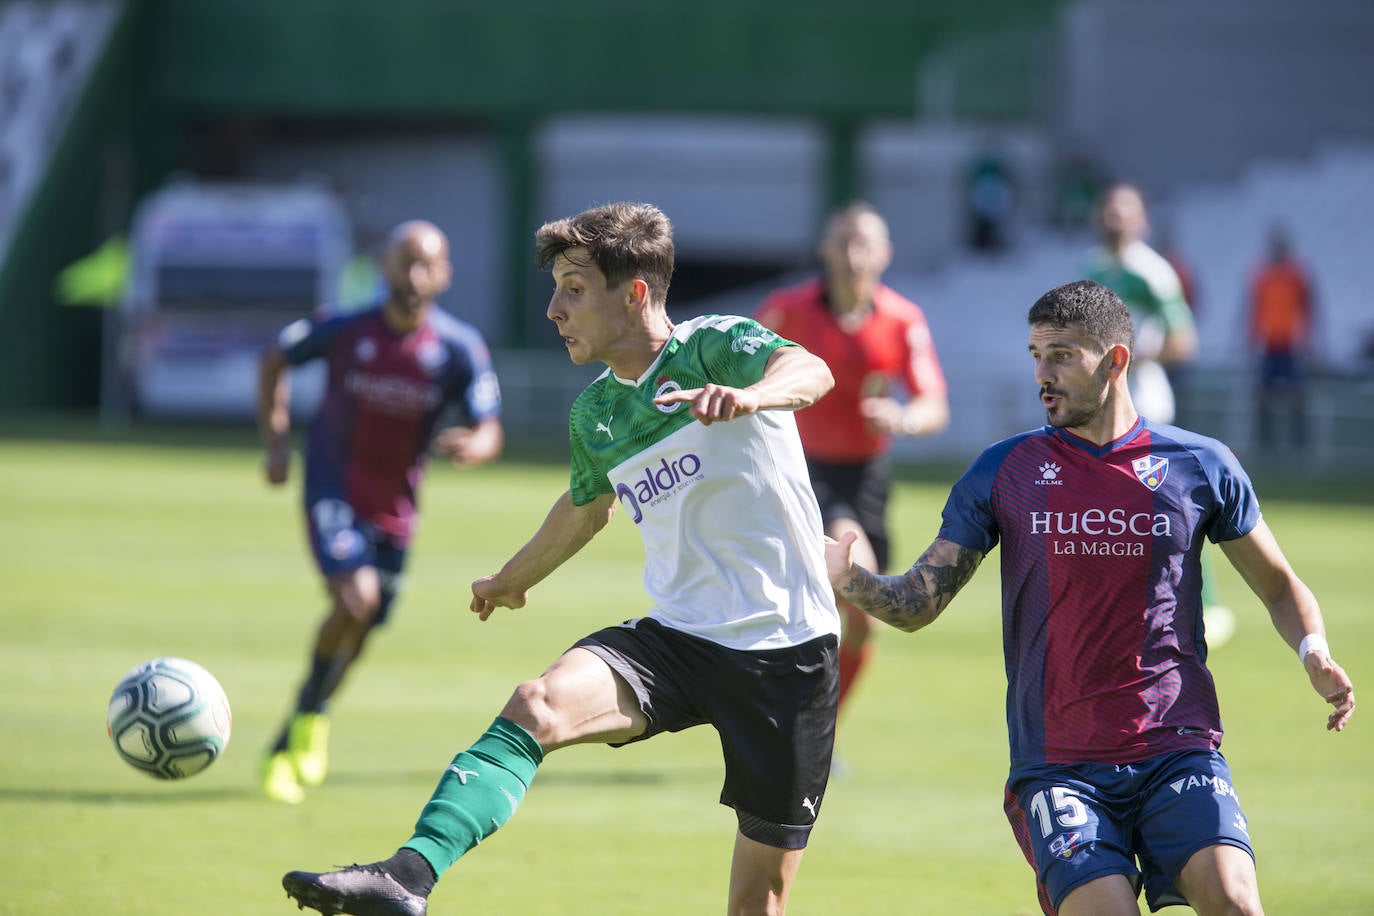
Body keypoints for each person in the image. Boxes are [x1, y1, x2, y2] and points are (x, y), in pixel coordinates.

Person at [281, 202, 841, 916]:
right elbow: (585, 509)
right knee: (536, 704)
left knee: (754, 906)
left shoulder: (715, 346)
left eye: (574, 288)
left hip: (785, 656)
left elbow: (809, 368)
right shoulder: (597, 413)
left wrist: (754, 395)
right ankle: (406, 877)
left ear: (634, 292)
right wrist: (509, 580)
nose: (553, 310)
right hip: (679, 640)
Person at [825, 279, 1356, 916]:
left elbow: (1278, 586)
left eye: (1062, 355)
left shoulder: (1199, 464)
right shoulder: (1005, 471)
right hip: (1059, 765)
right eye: (1035, 356)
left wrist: (1313, 650)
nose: (1042, 375)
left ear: (1116, 360)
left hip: (1176, 745)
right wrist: (851, 580)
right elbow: (919, 601)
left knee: (1238, 902)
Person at [257, 220, 504, 805]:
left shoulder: (457, 348)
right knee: (357, 599)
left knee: (363, 628)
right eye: (404, 261)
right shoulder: (344, 328)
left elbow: (490, 423)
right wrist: (275, 437)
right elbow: (275, 357)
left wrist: (477, 444)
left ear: (444, 275)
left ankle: (298, 726)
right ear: (384, 267)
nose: (414, 275)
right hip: (332, 490)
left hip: (395, 511)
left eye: (428, 264)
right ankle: (310, 720)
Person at [754, 202, 948, 729]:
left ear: (885, 254)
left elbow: (934, 404)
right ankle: (795, 727)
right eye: (843, 242)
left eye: (865, 244)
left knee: (865, 626)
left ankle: (817, 733)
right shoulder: (787, 310)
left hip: (869, 480)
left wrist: (904, 419)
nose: (853, 255)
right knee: (852, 580)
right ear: (825, 250)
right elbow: (739, 365)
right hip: (802, 471)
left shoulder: (903, 320)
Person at [1085, 184, 1234, 647]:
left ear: (1141, 221)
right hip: (1100, 404)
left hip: (1143, 401)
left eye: (1122, 211)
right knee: (1105, 506)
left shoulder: (1150, 272)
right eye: (1107, 209)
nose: (1113, 218)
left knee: (1169, 506)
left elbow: (1182, 339)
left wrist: (1137, 356)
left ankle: (1206, 604)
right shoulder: (1093, 269)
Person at [1247, 225, 1315, 458]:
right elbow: (1254, 308)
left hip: (1291, 344)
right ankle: (1267, 447)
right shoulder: (1263, 276)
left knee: (1297, 397)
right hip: (1269, 345)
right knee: (1262, 397)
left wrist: (1309, 341)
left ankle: (1300, 447)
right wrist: (1251, 339)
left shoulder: (1297, 275)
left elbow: (1309, 308)